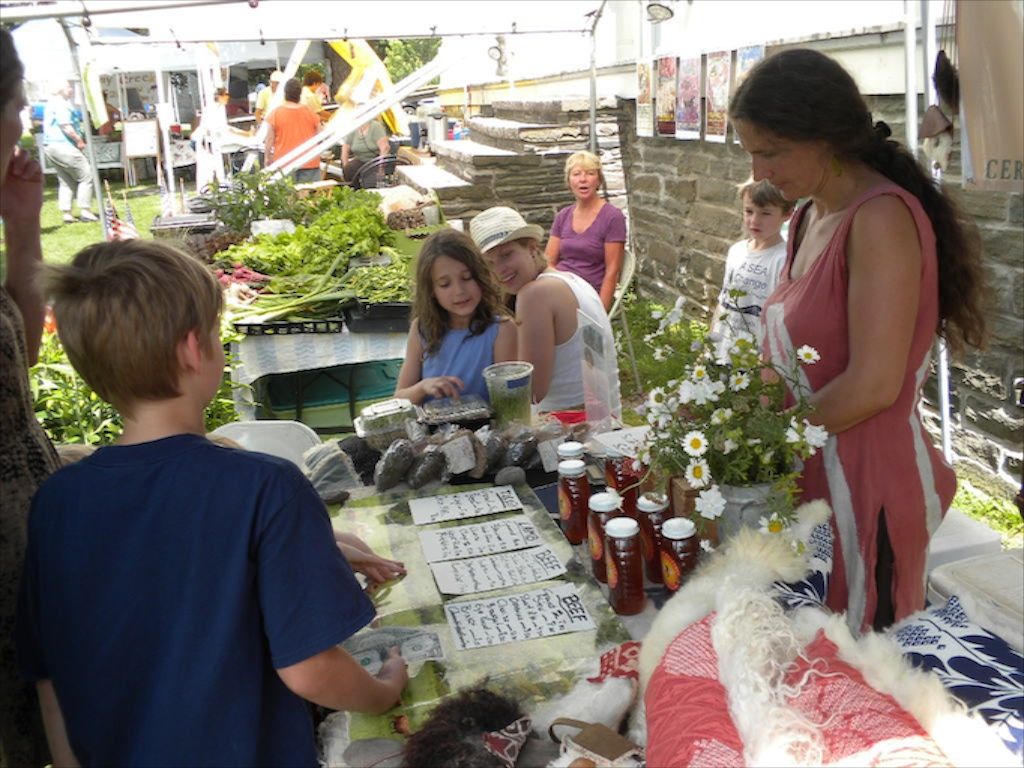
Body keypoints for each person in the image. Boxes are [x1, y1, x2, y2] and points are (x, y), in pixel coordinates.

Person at [15, 239, 409, 765]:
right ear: (192, 348)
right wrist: (383, 690)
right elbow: (312, 670)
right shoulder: (266, 486)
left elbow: (52, 682)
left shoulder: (56, 502)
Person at [730, 48, 986, 633]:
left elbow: (873, 385)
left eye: (770, 150)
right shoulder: (807, 216)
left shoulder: (879, 220)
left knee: (865, 653)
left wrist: (765, 444)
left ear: (826, 135)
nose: (759, 170)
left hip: (867, 482)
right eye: (751, 152)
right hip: (813, 467)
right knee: (810, 646)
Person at [0, 29, 59, 768]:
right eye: (16, 104)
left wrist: (22, 231)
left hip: (27, 554)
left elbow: (21, 368)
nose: (22, 122)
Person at [470, 206, 621, 417]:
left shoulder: (535, 295)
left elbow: (530, 393)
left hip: (571, 428)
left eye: (506, 255)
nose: (499, 270)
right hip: (603, 420)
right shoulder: (572, 280)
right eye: (490, 263)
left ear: (532, 248)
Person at [395, 228, 516, 405]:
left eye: (467, 278)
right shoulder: (421, 329)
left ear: (481, 276)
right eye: (445, 284)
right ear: (431, 291)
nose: (459, 291)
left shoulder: (502, 330)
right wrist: (423, 387)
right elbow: (399, 398)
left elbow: (508, 403)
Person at [710, 178, 794, 358]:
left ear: (787, 214)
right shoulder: (736, 251)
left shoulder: (784, 259)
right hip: (722, 349)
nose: (755, 220)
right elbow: (723, 301)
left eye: (765, 213)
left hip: (754, 357)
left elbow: (781, 318)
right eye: (749, 211)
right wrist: (709, 344)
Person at [545, 151, 627, 311]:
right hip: (561, 286)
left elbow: (612, 272)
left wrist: (601, 313)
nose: (583, 179)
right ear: (569, 181)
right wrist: (560, 282)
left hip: (587, 293)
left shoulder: (612, 217)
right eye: (576, 174)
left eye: (590, 173)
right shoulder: (563, 215)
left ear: (599, 180)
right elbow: (548, 261)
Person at [41, 80, 96, 224]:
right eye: (67, 86)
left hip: (50, 146)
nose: (70, 89)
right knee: (86, 175)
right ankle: (85, 210)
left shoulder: (51, 103)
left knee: (66, 179)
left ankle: (67, 212)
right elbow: (65, 126)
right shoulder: (61, 105)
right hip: (63, 146)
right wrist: (79, 140)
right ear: (59, 89)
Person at [265, 77, 321, 183]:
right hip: (309, 160)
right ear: (299, 94)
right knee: (308, 197)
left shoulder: (275, 114)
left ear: (285, 93)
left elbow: (269, 140)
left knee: (288, 197)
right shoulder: (310, 112)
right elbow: (320, 134)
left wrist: (267, 158)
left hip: (284, 163)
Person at [341, 116, 390, 189]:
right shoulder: (353, 128)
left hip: (374, 160)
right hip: (360, 159)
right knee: (349, 169)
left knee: (370, 180)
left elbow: (385, 148)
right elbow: (345, 149)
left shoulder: (376, 127)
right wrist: (345, 166)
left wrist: (381, 168)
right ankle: (354, 192)